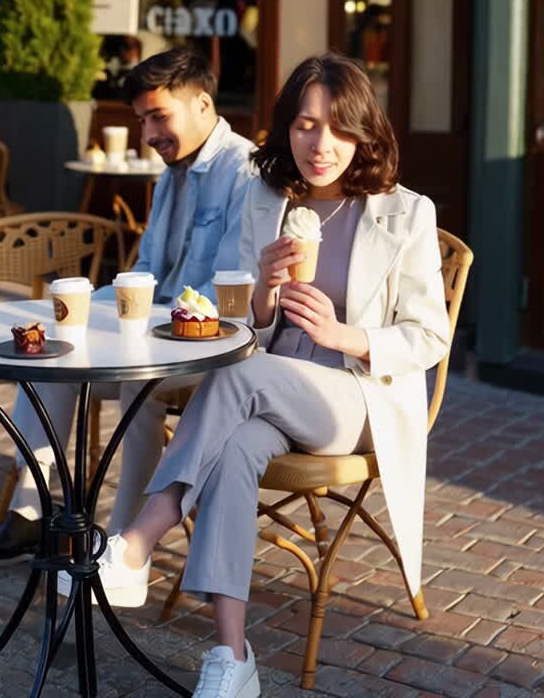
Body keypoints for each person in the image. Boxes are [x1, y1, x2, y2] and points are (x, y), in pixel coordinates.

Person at [84, 52, 449, 698]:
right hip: (273, 386)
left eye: (339, 128)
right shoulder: (268, 198)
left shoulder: (404, 212)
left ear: (364, 131)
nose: (321, 144)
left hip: (358, 398)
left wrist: (346, 335)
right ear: (286, 129)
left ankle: (141, 535)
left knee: (238, 380)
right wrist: (263, 293)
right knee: (236, 448)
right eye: (306, 125)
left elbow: (429, 335)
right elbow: (250, 330)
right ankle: (232, 658)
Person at [0, 46, 254, 570]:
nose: (148, 135)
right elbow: (146, 271)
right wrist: (78, 313)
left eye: (159, 117)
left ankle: (120, 547)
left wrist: (131, 328)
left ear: (204, 105)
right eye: (142, 121)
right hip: (152, 335)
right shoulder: (173, 173)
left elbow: (227, 299)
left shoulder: (246, 174)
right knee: (54, 355)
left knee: (139, 382)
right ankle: (31, 513)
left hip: (210, 354)